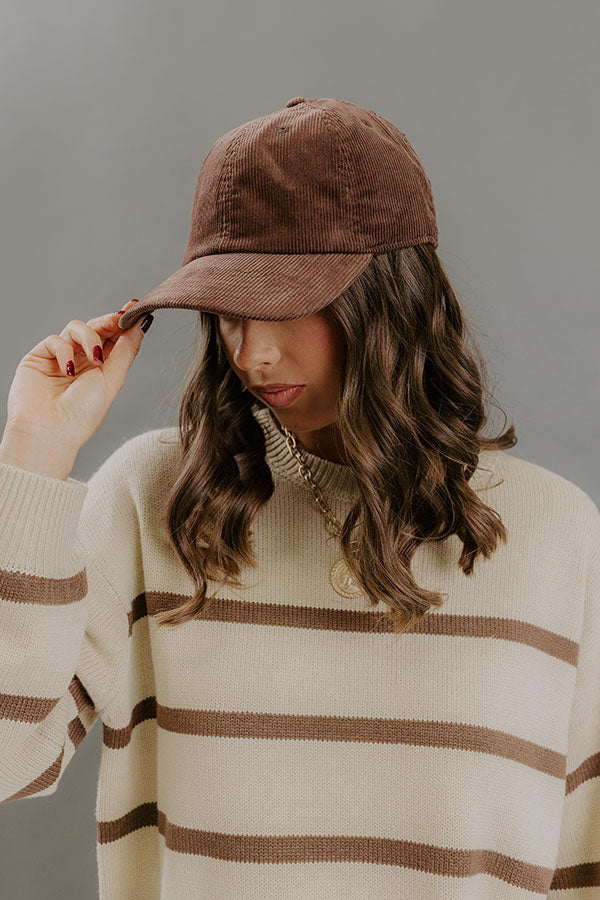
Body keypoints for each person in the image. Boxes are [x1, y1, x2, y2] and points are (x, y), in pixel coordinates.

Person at [0, 96, 598, 899]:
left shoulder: (560, 536)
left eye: (288, 301)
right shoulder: (156, 504)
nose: (251, 353)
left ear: (392, 297)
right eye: (228, 312)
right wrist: (34, 456)